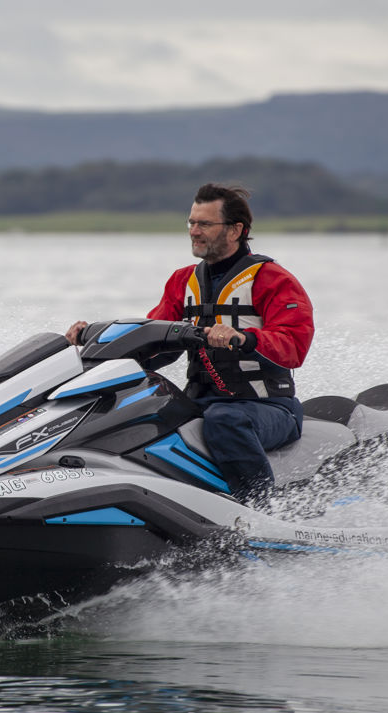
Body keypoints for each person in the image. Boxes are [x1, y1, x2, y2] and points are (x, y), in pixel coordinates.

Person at [66, 183, 314, 504]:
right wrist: (93, 342)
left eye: (205, 224)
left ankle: (262, 511)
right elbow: (153, 341)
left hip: (267, 409)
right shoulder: (182, 281)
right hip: (203, 402)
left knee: (226, 420)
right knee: (139, 411)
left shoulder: (273, 279)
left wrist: (243, 338)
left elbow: (294, 345)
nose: (194, 231)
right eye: (191, 223)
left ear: (236, 229)